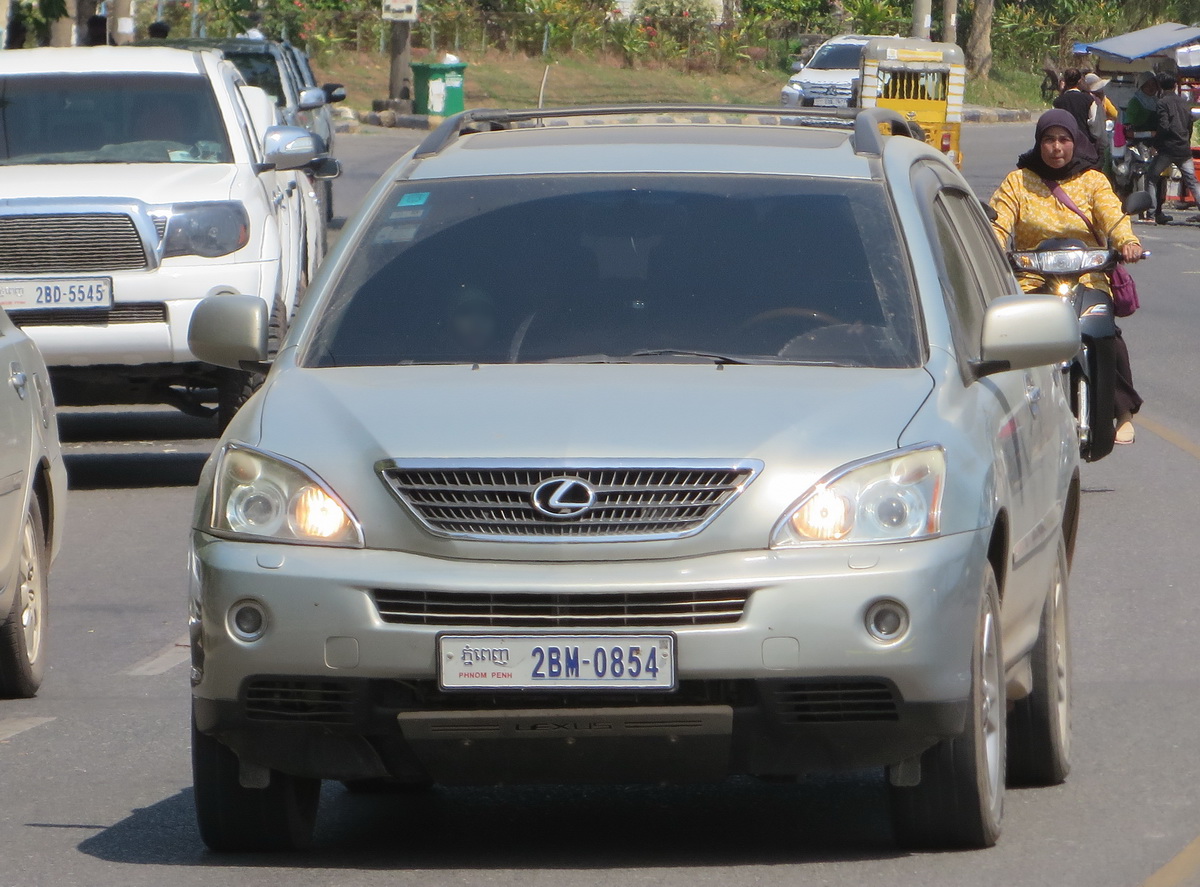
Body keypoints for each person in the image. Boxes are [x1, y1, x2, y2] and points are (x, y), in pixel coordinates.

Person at [990, 109, 1146, 445]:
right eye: (1049, 139)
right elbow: (998, 222)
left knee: (1106, 333)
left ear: (1075, 142)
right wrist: (990, 245)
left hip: (1088, 278)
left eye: (1063, 139)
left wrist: (1128, 242)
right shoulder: (1018, 181)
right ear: (1039, 142)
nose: (1056, 147)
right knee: (1010, 336)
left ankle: (1122, 413)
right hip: (1033, 279)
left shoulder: (1093, 180)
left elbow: (1113, 218)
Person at [1146, 72, 1200, 225]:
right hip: (1183, 148)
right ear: (1175, 86)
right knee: (1192, 182)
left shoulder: (1162, 103)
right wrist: (1186, 140)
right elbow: (1189, 124)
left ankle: (1151, 213)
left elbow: (1163, 126)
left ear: (1160, 87)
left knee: (1151, 177)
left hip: (1168, 149)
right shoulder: (1183, 102)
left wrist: (1156, 145)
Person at [1054, 69, 1101, 154]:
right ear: (1079, 81)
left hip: (1065, 143)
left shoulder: (1058, 101)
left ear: (1064, 81)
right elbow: (1094, 122)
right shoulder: (1088, 99)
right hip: (1085, 144)